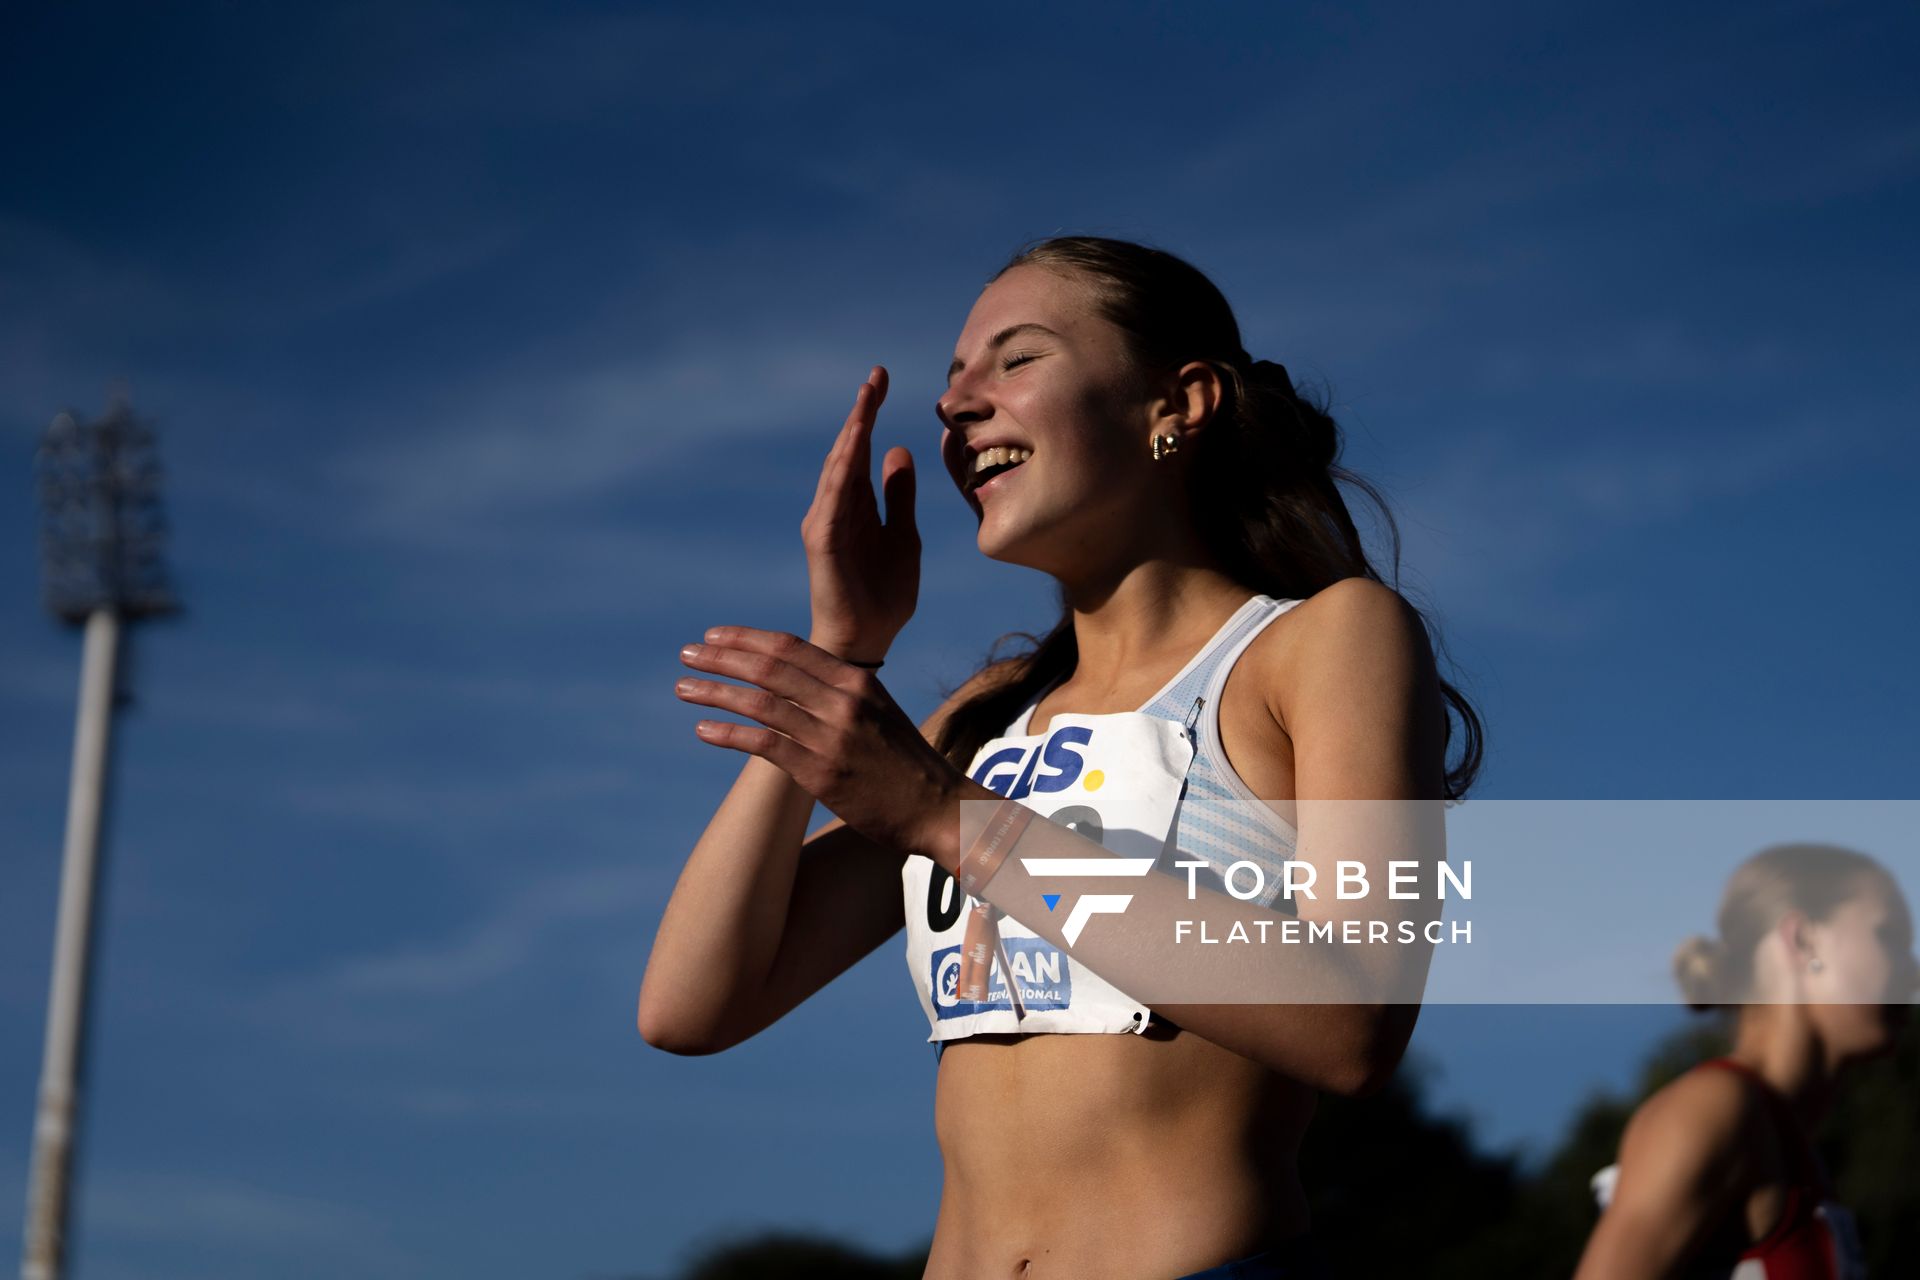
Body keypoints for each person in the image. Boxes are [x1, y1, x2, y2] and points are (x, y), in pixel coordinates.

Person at [638, 235, 1482, 1279]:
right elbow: (690, 1006)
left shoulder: (1321, 641)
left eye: (1015, 358)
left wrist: (950, 819)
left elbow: (1353, 1018)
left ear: (1179, 403)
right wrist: (841, 654)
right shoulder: (984, 720)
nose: (957, 403)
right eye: (951, 379)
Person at [1575, 843, 1918, 1279]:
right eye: (1889, 936)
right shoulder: (1715, 1109)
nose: (1914, 970)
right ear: (1802, 939)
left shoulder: (1796, 1152)